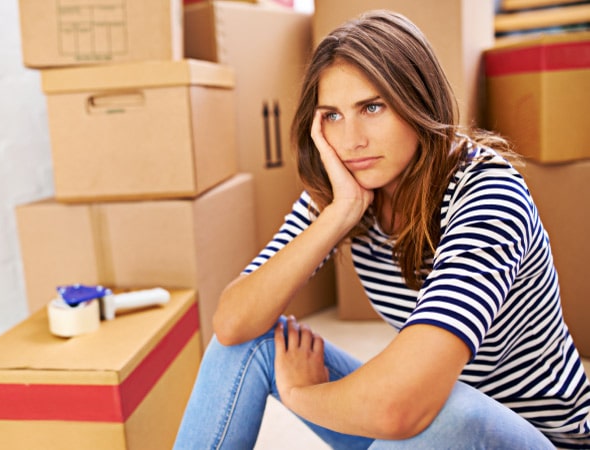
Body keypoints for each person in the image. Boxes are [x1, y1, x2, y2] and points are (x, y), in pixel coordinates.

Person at [173, 10, 590, 449]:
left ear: (417, 101)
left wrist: (302, 395)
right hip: (424, 433)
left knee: (446, 409)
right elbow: (233, 323)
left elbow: (400, 409)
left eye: (372, 108)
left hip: (538, 439)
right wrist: (338, 214)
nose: (352, 141)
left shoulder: (488, 192)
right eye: (332, 116)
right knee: (253, 343)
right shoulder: (345, 189)